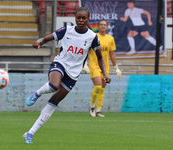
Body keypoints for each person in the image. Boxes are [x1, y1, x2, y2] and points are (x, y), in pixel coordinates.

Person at [22, 7, 111, 144]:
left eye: (84, 18)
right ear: (75, 18)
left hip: (73, 74)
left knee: (53, 103)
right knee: (53, 85)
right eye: (78, 18)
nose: (81, 20)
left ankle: (30, 133)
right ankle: (37, 94)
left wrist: (104, 74)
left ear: (88, 19)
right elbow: (48, 37)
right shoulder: (67, 30)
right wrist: (39, 42)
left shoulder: (92, 37)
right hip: (60, 63)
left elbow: (100, 57)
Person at [88, 20, 122, 117]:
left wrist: (116, 68)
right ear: (98, 26)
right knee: (98, 85)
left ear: (107, 26)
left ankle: (98, 110)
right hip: (94, 65)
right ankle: (91, 107)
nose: (103, 26)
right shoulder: (94, 37)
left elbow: (112, 53)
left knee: (102, 88)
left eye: (104, 25)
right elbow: (88, 50)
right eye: (101, 25)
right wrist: (85, 64)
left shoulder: (110, 39)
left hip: (105, 67)